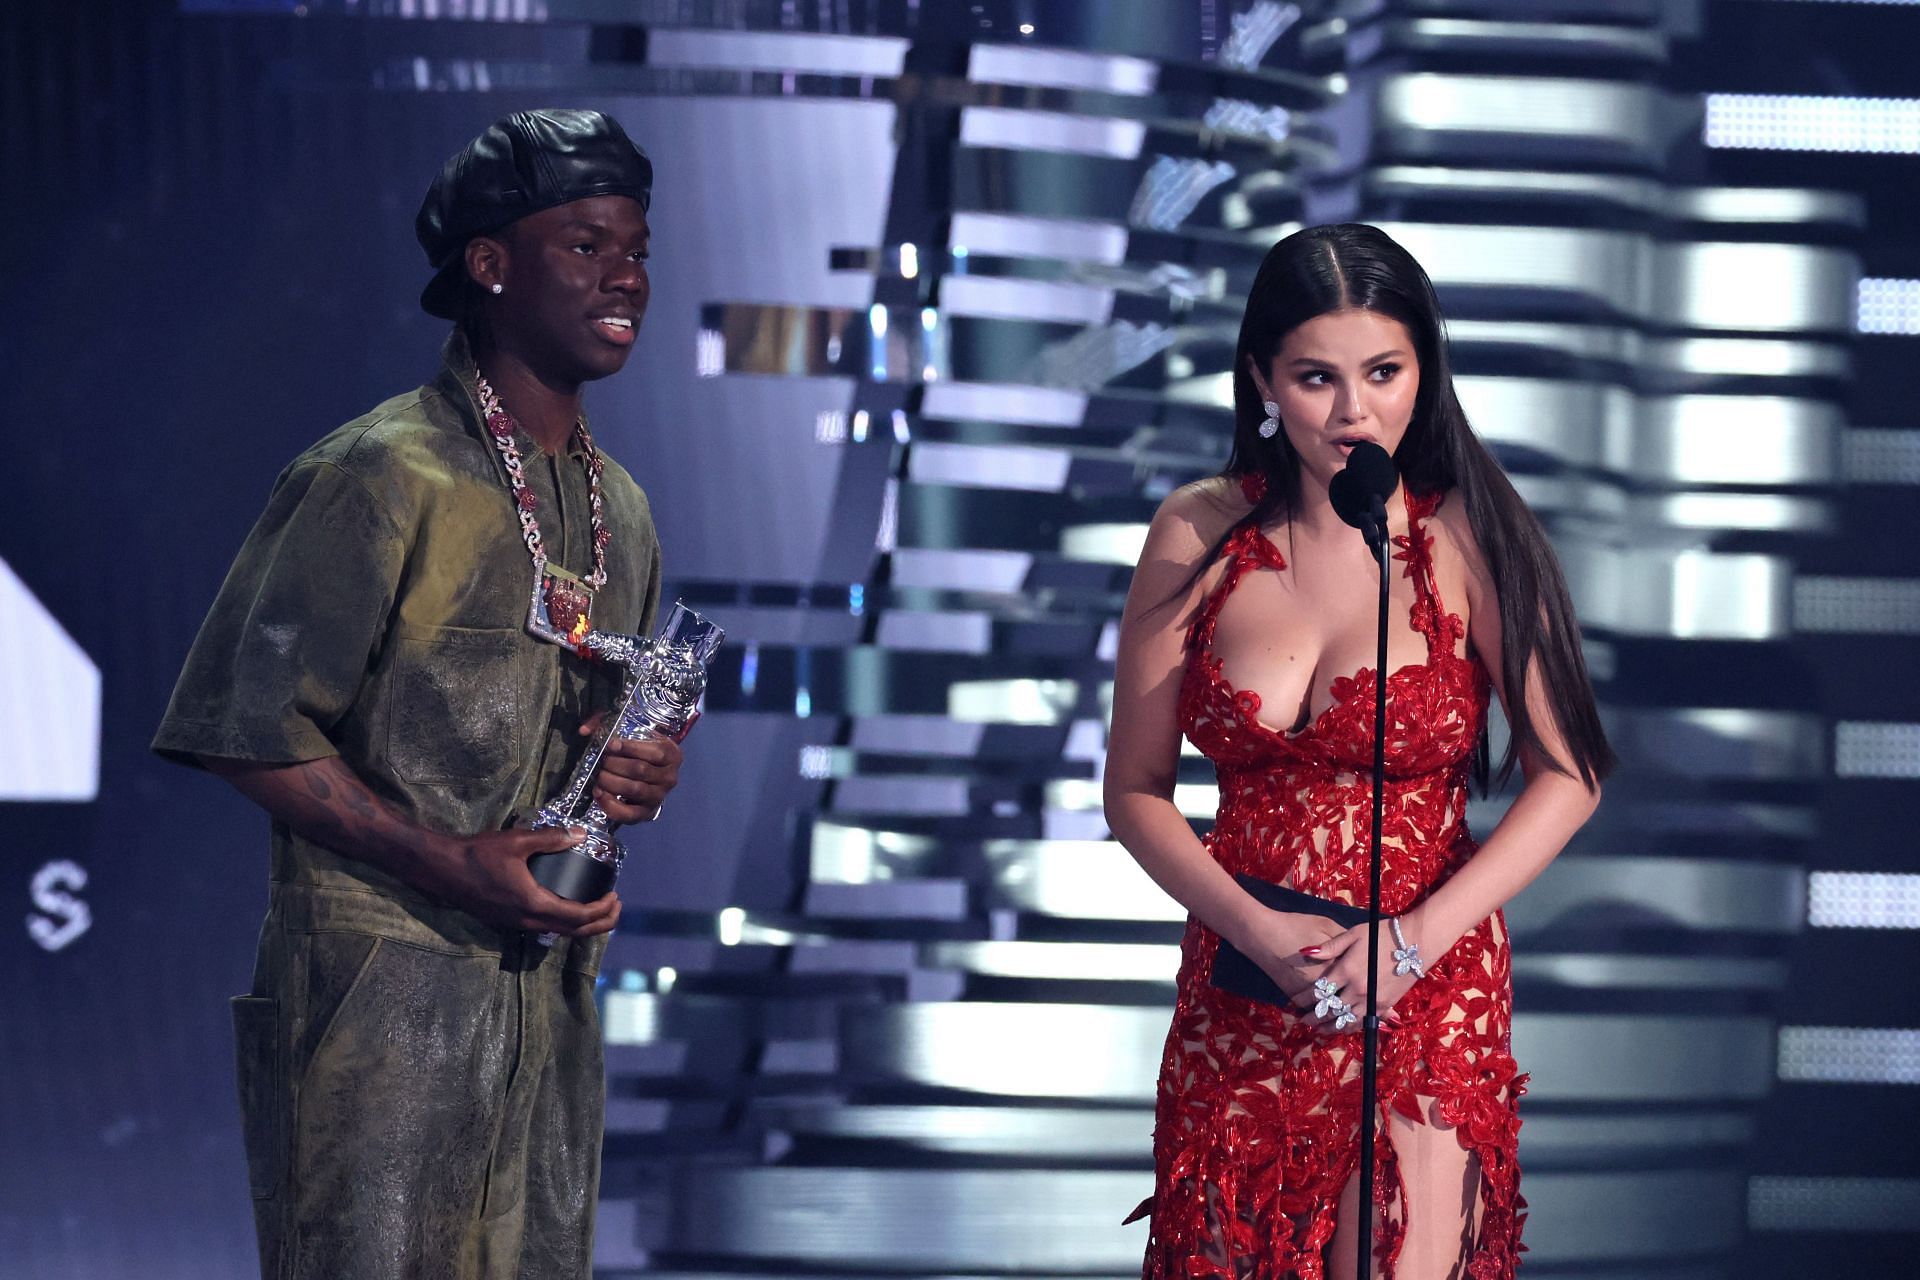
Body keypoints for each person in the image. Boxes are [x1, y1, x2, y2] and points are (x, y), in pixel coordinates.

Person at [152, 108, 681, 1279]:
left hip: (546, 996)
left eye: (638, 247)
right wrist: (452, 862)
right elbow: (245, 728)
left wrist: (638, 765)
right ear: (489, 264)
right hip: (379, 993)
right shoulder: (380, 471)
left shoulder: (622, 508)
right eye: (587, 244)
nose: (628, 276)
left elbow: (601, 731)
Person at [1105, 223, 1611, 1280]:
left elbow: (1571, 773)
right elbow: (1137, 789)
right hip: (1247, 982)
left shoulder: (1472, 534)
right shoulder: (1197, 532)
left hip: (1427, 980)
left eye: (1383, 372)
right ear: (1261, 380)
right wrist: (1254, 925)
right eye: (1316, 377)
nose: (1353, 410)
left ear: (1423, 374)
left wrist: (1410, 943)